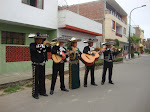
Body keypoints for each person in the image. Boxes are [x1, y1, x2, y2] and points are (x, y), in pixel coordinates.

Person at [29, 33, 51, 99]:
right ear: (36, 39)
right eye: (39, 39)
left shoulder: (43, 45)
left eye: (41, 39)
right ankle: (35, 94)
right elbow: (34, 50)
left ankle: (42, 92)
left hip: (42, 64)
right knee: (36, 79)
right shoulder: (32, 45)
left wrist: (49, 45)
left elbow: (49, 50)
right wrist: (43, 45)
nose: (41, 40)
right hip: (36, 64)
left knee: (42, 78)